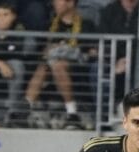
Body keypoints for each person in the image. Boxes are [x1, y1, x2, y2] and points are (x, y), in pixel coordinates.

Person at [24, 0, 96, 129]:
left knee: (58, 65)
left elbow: (91, 51)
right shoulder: (49, 25)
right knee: (44, 67)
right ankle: (25, 108)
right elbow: (42, 51)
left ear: (70, 3)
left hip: (77, 65)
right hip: (51, 63)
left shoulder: (86, 25)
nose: (55, 4)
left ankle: (72, 112)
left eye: (59, 1)